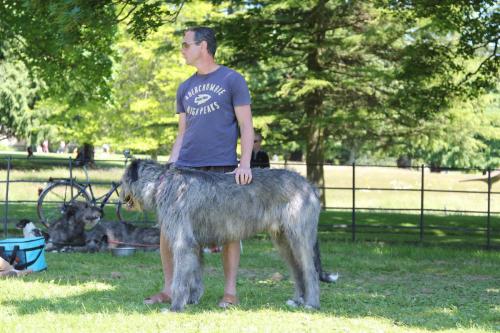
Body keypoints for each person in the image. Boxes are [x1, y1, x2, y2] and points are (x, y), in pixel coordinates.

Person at [144, 27, 254, 309]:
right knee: (169, 230)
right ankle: (169, 289)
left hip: (223, 168)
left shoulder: (232, 80)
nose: (182, 49)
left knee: (230, 229)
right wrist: (170, 167)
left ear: (203, 46)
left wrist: (244, 164)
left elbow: (246, 125)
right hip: (185, 171)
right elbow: (183, 132)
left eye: (185, 44)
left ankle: (230, 292)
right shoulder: (185, 87)